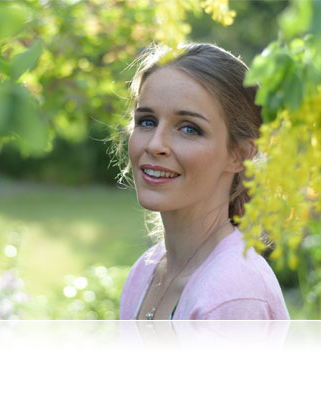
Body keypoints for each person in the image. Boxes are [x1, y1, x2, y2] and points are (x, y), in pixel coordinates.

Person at [119, 43, 290, 320]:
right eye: (147, 121)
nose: (155, 144)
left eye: (189, 129)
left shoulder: (234, 293)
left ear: (239, 155)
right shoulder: (146, 271)